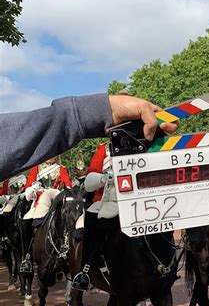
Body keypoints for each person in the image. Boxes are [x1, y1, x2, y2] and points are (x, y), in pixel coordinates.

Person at [0, 93, 178, 181]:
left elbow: (66, 181)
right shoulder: (104, 150)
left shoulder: (59, 168)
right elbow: (92, 175)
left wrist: (104, 111)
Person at [71, 140, 116, 291]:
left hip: (136, 195)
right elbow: (91, 177)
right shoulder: (105, 148)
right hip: (105, 196)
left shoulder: (143, 143)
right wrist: (103, 178)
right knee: (93, 221)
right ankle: (86, 270)